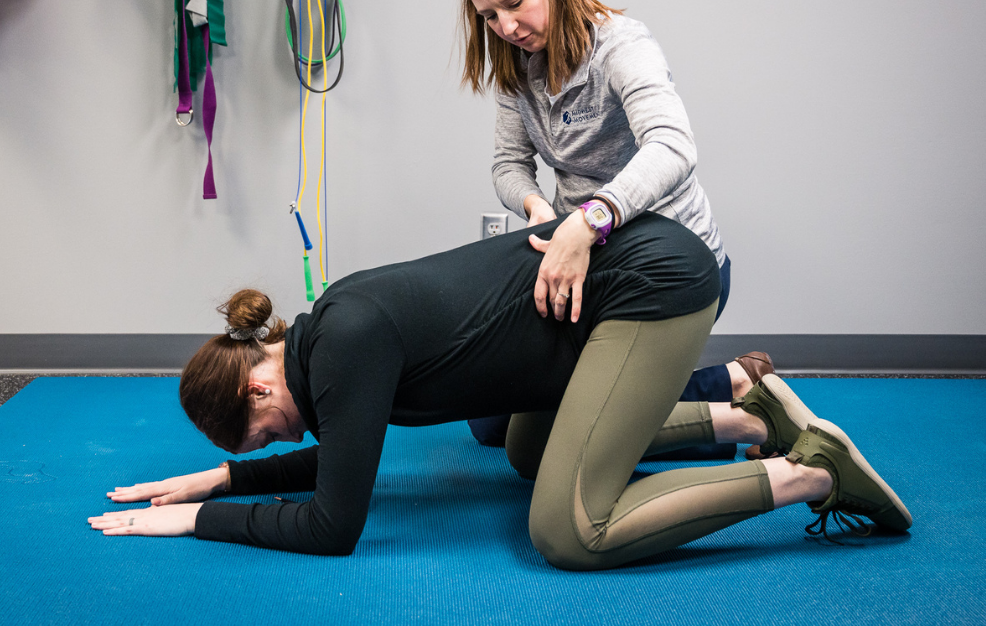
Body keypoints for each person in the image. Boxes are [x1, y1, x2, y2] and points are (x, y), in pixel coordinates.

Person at [89, 214, 910, 566]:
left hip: (652, 287)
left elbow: (335, 524)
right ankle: (746, 416)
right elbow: (340, 457)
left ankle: (811, 473)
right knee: (526, 448)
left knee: (572, 529)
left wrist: (199, 521)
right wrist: (222, 478)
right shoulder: (325, 338)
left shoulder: (343, 345)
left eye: (269, 432)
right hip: (612, 303)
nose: (289, 439)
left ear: (257, 386)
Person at [458, 0, 746, 451]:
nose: (506, 27)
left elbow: (672, 144)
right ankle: (728, 385)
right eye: (489, 15)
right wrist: (538, 209)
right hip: (582, 257)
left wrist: (590, 219)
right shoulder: (516, 66)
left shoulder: (621, 45)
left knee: (549, 437)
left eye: (515, 3)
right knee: (490, 425)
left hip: (671, 262)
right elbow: (508, 163)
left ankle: (730, 395)